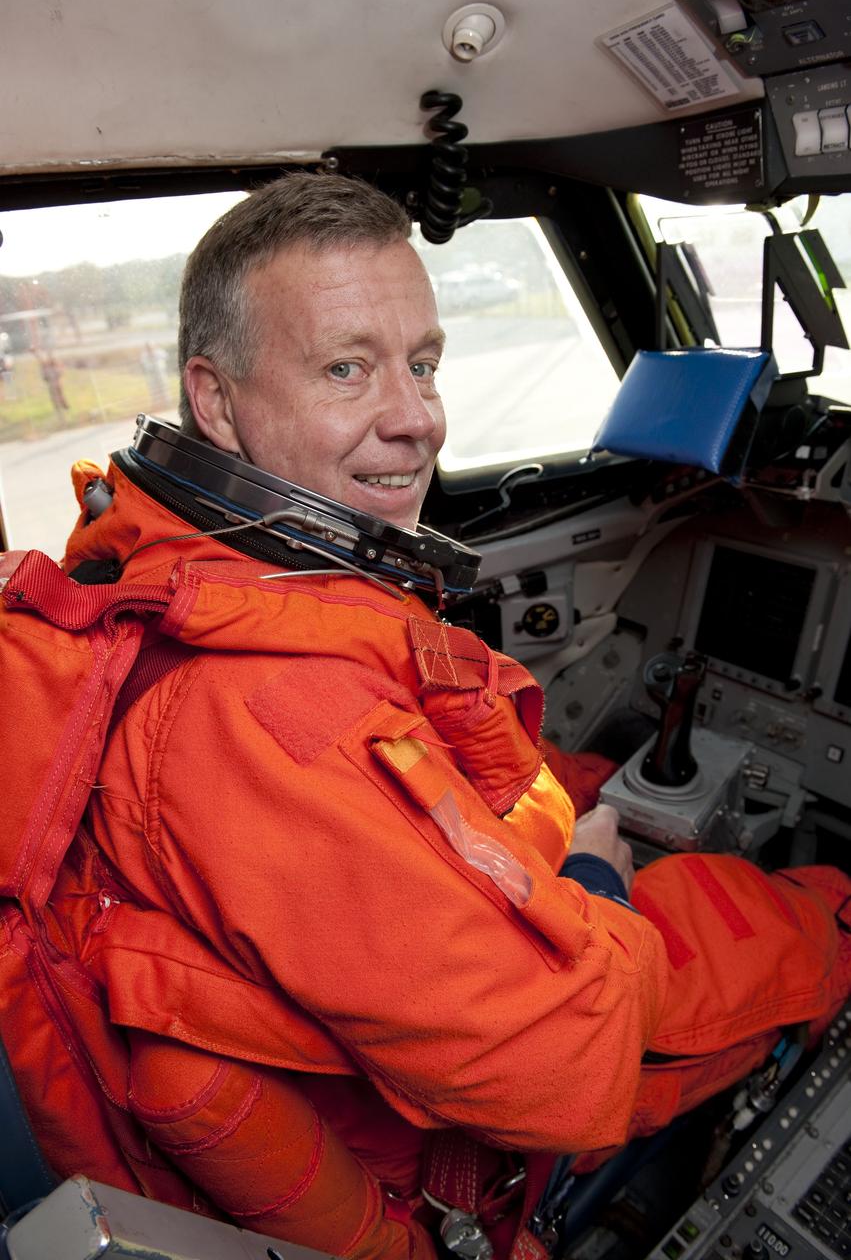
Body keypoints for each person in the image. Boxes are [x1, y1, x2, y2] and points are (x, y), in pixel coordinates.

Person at [45, 173, 849, 1260]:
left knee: (594, 784)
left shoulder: (159, 563)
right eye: (346, 368)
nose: (415, 417)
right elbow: (567, 1063)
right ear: (216, 398)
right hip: (445, 1145)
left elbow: (414, 787)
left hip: (353, 995)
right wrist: (597, 877)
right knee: (801, 907)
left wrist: (581, 815)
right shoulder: (267, 719)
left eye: (420, 363)